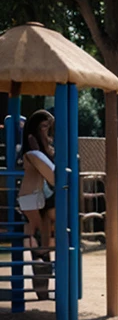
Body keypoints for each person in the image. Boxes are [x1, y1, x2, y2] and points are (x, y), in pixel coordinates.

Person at [18, 110, 56, 299]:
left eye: (48, 126)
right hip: (39, 195)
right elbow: (43, 164)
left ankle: (43, 289)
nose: (46, 130)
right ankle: (42, 289)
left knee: (44, 235)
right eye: (43, 126)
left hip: (44, 195)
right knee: (39, 234)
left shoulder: (45, 142)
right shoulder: (33, 142)